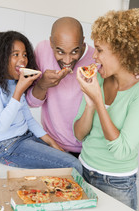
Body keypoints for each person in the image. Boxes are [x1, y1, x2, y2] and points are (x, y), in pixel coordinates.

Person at [74, 8, 139, 210]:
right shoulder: (97, 78)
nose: (94, 56)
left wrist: (98, 100)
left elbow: (121, 151)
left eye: (99, 49)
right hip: (83, 171)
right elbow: (79, 135)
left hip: (116, 184)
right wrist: (90, 105)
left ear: (123, 52)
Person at [0, 30, 83, 175]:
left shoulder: (14, 81)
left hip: (26, 137)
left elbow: (29, 119)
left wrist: (51, 143)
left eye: (24, 54)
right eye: (16, 54)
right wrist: (19, 90)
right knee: (73, 165)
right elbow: (1, 125)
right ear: (0, 56)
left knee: (69, 159)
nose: (23, 60)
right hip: (7, 147)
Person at [26, 17, 96, 157]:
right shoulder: (42, 50)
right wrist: (42, 84)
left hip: (87, 149)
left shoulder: (96, 58)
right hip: (52, 145)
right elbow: (31, 103)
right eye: (60, 52)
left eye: (75, 52)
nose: (67, 60)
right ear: (51, 42)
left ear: (83, 42)